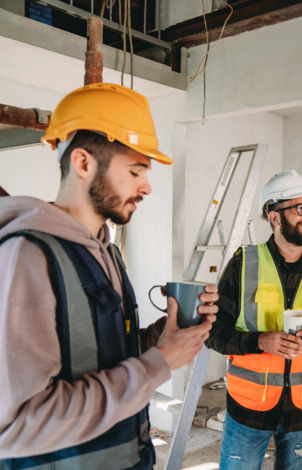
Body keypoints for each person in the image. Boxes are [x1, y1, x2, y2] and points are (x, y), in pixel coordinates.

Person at [0, 83, 218, 469]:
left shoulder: (106, 251)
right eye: (135, 171)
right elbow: (16, 424)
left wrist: (165, 338)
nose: (146, 186)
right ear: (83, 163)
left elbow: (102, 358)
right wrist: (160, 362)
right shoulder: (28, 255)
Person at [206, 169, 302, 469]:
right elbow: (213, 332)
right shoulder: (244, 264)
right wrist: (260, 341)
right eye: (300, 208)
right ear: (274, 216)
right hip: (249, 410)